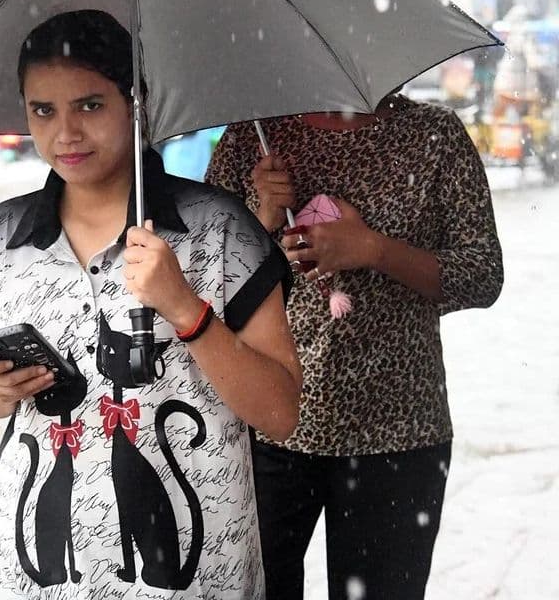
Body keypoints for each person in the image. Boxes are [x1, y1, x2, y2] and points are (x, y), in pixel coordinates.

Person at [0, 10, 302, 599]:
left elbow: (280, 412)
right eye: (44, 110)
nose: (65, 133)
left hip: (194, 575)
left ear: (135, 102)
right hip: (35, 575)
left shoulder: (219, 232)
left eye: (89, 105)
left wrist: (185, 309)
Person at [204, 94, 504, 600]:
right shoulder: (252, 136)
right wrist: (266, 216)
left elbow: (481, 275)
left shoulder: (435, 135)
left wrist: (372, 249)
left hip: (398, 432)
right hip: (268, 424)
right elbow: (205, 278)